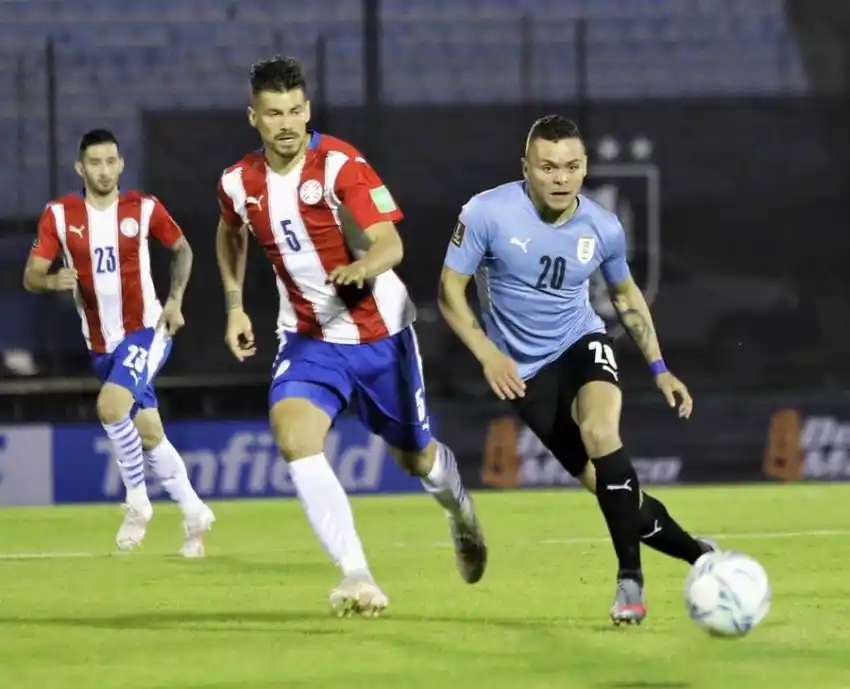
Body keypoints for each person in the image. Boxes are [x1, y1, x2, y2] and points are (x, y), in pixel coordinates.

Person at [215, 56, 486, 617]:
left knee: (416, 460)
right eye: (273, 113)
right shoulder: (238, 182)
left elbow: (391, 245)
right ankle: (357, 575)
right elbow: (230, 233)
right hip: (308, 338)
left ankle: (459, 510)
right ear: (253, 117)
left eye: (295, 110)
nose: (287, 123)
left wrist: (362, 269)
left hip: (378, 334)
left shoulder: (340, 165)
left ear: (307, 109)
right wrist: (235, 305)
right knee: (294, 435)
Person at [438, 115, 716, 626]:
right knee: (615, 494)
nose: (561, 178)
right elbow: (449, 292)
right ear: (526, 167)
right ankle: (702, 557)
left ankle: (629, 580)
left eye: (571, 166)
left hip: (581, 342)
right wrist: (487, 353)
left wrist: (660, 368)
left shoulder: (602, 226)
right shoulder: (486, 213)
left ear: (585, 168)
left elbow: (625, 295)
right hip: (523, 373)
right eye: (547, 167)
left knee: (600, 430)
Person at [23, 129, 215, 557]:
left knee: (110, 408)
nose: (104, 170)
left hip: (148, 331)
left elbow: (182, 249)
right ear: (80, 168)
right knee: (149, 433)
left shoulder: (143, 208)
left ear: (121, 164)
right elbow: (31, 274)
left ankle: (137, 502)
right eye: (95, 163)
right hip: (100, 345)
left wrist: (174, 302)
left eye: (111, 161)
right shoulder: (59, 215)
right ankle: (194, 511)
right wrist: (52, 279)